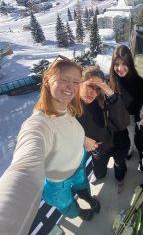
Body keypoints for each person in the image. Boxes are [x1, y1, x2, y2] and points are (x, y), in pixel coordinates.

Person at [0, 56, 100, 235]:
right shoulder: (37, 125)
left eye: (76, 81)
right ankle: (81, 213)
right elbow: (23, 169)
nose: (71, 86)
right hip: (57, 183)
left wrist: (83, 139)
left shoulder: (67, 108)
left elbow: (67, 131)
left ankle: (88, 198)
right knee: (67, 204)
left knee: (83, 187)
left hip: (77, 167)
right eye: (64, 79)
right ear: (47, 80)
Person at [77, 65, 130, 193]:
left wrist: (110, 93)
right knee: (99, 170)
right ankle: (99, 175)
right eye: (90, 86)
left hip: (119, 143)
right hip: (98, 147)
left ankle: (119, 176)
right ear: (80, 83)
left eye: (98, 88)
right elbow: (64, 129)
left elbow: (124, 122)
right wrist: (82, 139)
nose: (93, 92)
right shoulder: (73, 106)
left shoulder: (107, 100)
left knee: (119, 165)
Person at [109, 45, 143, 160]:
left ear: (130, 63)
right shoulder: (109, 80)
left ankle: (128, 152)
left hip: (129, 117)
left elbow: (139, 103)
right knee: (114, 139)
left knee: (129, 137)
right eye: (116, 64)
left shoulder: (138, 81)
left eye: (124, 64)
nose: (120, 68)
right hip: (113, 117)